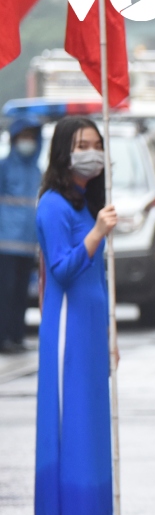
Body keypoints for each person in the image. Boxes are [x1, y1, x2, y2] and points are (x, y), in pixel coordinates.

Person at [34, 116, 118, 515]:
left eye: (97, 144)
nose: (91, 151)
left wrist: (110, 335)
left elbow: (99, 280)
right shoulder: (52, 205)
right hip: (66, 325)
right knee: (70, 423)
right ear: (65, 151)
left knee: (92, 423)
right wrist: (98, 233)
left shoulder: (86, 203)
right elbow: (63, 271)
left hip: (89, 326)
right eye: (82, 143)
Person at [0, 117, 43, 353]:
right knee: (4, 292)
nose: (28, 142)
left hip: (27, 243)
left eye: (31, 137)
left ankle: (16, 336)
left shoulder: (37, 171)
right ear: (15, 139)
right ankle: (3, 337)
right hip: (5, 243)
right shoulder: (4, 167)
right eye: (23, 136)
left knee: (20, 293)